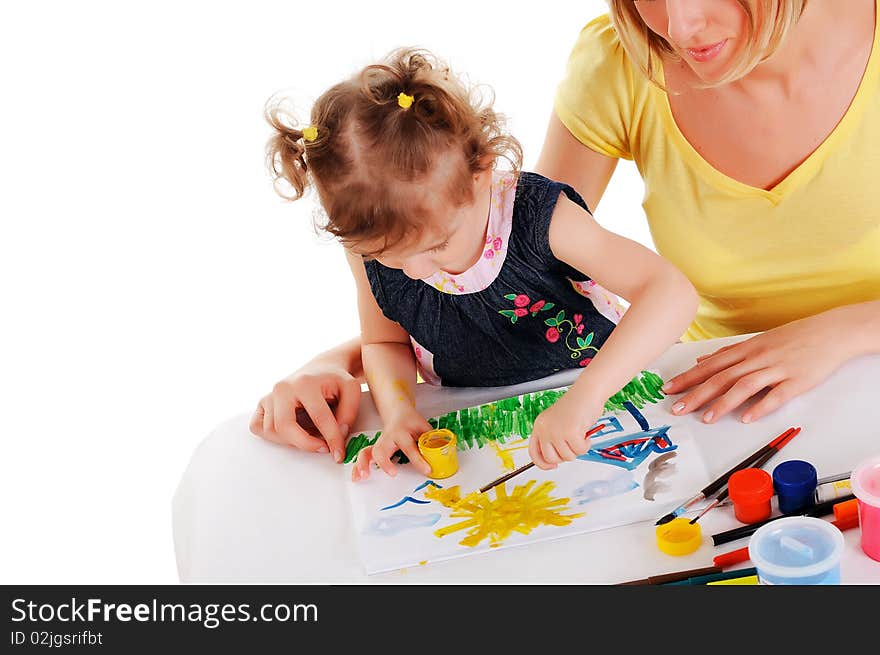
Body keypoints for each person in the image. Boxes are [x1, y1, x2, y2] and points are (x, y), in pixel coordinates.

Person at [251, 0, 880, 459]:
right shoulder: (623, 64)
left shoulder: (516, 207)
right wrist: (338, 365)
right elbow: (499, 289)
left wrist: (839, 333)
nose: (679, 26)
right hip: (714, 395)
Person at [259, 47, 697, 475]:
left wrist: (586, 398)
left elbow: (669, 293)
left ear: (481, 173)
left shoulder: (537, 216)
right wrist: (397, 413)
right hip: (479, 425)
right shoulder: (374, 239)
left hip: (605, 394)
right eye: (387, 257)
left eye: (436, 245)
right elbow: (385, 342)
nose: (416, 271)